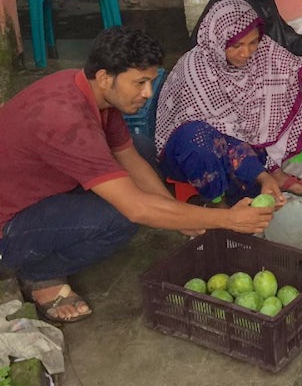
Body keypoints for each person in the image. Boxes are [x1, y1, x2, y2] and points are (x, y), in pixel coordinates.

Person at [0, 27, 273, 324]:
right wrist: (228, 219)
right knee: (121, 217)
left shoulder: (91, 92)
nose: (148, 93)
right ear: (105, 77)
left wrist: (180, 217)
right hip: (10, 225)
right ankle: (39, 273)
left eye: (151, 81)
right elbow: (136, 208)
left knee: (142, 148)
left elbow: (129, 157)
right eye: (140, 82)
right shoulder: (67, 122)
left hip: (42, 189)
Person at [157, 0, 302, 205]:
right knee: (203, 141)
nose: (246, 53)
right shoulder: (195, 70)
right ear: (217, 40)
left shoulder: (262, 51)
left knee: (289, 110)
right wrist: (261, 175)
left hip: (239, 137)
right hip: (191, 151)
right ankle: (218, 202)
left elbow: (297, 77)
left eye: (253, 42)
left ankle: (270, 173)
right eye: (236, 45)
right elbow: (223, 133)